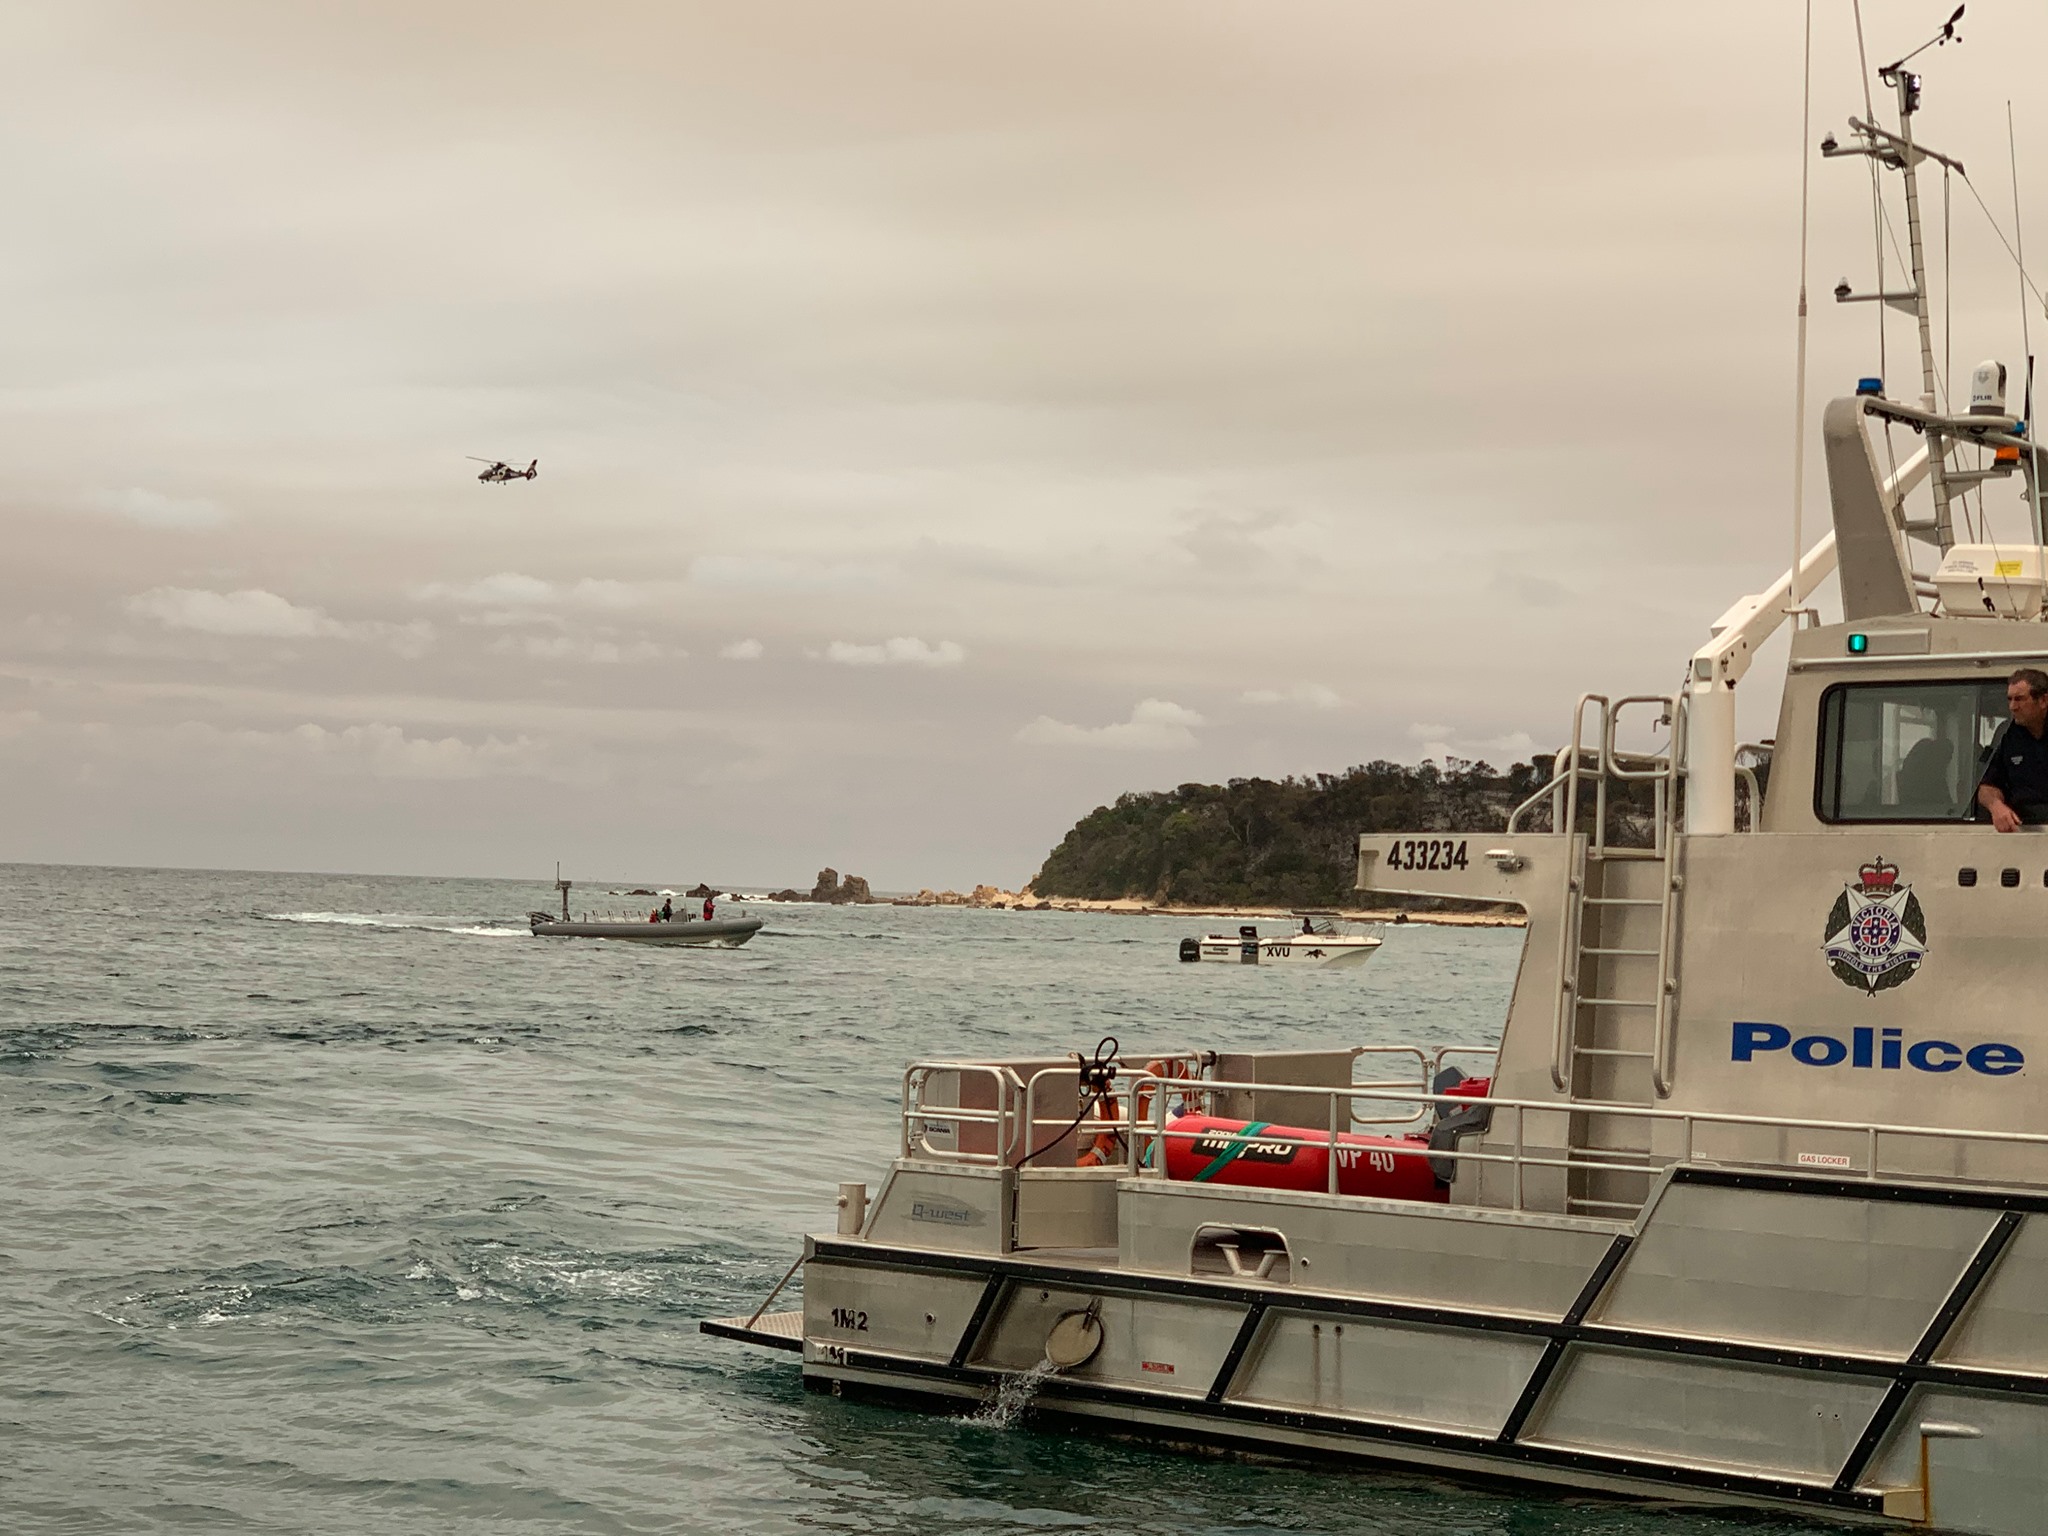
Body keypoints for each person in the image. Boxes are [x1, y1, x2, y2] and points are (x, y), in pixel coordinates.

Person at [1977, 668, 2048, 831]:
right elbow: (1986, 785)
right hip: (2021, 828)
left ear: (2043, 701)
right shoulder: (2006, 734)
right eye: (2009, 699)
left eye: (2020, 699)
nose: (2012, 707)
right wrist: (1996, 806)